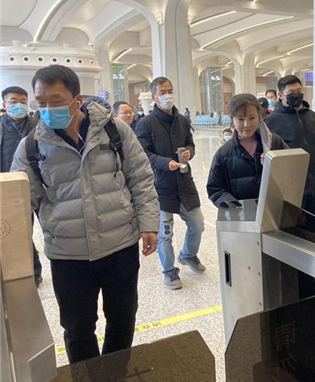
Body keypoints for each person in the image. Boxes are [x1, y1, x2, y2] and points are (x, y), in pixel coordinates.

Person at [11, 65, 159, 364]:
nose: (47, 109)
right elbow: (19, 201)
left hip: (119, 244)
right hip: (68, 254)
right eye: (41, 103)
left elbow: (141, 177)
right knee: (77, 329)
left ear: (77, 100)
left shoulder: (115, 131)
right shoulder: (31, 146)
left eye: (55, 101)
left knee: (122, 319)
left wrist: (149, 223)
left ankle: (114, 374)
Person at [136, 77, 205, 290]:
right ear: (154, 97)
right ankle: (169, 271)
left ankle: (188, 255)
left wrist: (189, 152)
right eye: (162, 92)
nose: (167, 95)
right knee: (165, 234)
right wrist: (165, 163)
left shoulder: (182, 120)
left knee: (197, 225)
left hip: (185, 183)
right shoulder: (146, 124)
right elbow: (143, 154)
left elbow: (190, 144)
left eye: (170, 91)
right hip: (161, 186)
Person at [264, 75, 315, 219]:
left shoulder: (312, 116)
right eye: (291, 93)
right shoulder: (271, 122)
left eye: (299, 91)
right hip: (289, 190)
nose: (296, 95)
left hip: (314, 186)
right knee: (292, 227)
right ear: (280, 95)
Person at [207, 94, 288, 207]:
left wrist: (274, 167)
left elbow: (291, 174)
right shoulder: (223, 154)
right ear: (232, 118)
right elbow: (215, 189)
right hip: (241, 214)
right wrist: (232, 204)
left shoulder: (274, 143)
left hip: (274, 210)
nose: (247, 124)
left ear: (259, 116)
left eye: (252, 118)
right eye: (240, 119)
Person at [1, 86, 42, 286]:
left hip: (40, 188)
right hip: (11, 191)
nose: (19, 105)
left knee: (53, 229)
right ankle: (32, 272)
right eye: (14, 101)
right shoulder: (1, 129)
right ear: (4, 104)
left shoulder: (38, 126)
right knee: (21, 231)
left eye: (23, 101)